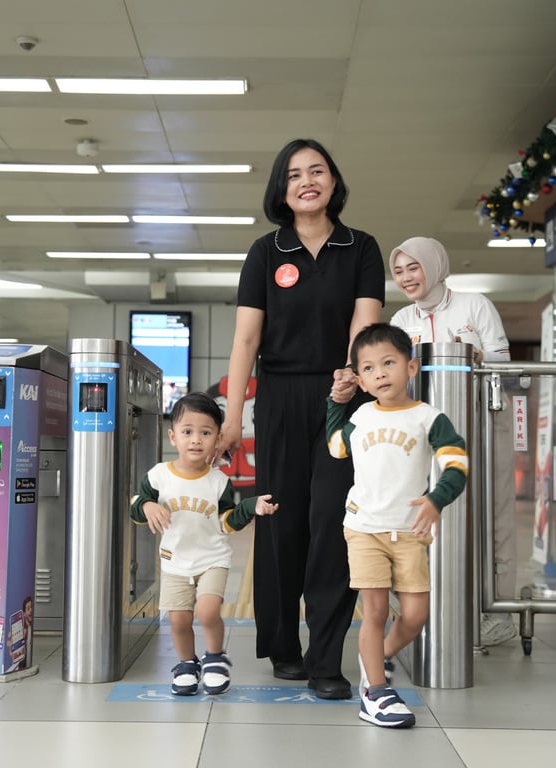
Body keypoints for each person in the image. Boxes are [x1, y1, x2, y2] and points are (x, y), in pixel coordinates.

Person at [218, 138, 384, 700]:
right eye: (293, 175)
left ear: (334, 181)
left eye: (317, 171)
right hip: (281, 397)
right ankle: (283, 645)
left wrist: (351, 374)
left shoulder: (360, 247)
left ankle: (326, 659)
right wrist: (233, 417)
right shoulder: (266, 252)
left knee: (335, 522)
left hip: (344, 397)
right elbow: (246, 340)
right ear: (281, 190)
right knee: (281, 519)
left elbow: (365, 325)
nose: (306, 181)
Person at [326, 323, 468, 728]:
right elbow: (336, 448)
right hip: (364, 528)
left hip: (409, 532)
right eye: (369, 368)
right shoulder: (361, 416)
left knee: (415, 615)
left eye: (389, 362)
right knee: (374, 612)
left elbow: (457, 463)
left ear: (411, 367)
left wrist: (437, 499)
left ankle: (378, 655)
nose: (380, 373)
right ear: (360, 380)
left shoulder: (429, 418)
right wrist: (335, 403)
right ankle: (375, 692)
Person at [387, 235, 517, 647]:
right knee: (416, 512)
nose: (406, 278)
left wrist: (475, 355)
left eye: (414, 267)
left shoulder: (474, 305)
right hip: (423, 432)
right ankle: (417, 611)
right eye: (399, 271)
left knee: (491, 514)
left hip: (480, 423)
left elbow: (504, 362)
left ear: (435, 266)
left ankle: (497, 611)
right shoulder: (401, 319)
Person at [131, 392, 278, 696]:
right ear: (173, 436)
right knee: (179, 620)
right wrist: (146, 505)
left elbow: (226, 522)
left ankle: (214, 658)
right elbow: (135, 506)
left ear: (218, 438)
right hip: (174, 561)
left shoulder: (219, 481)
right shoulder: (158, 476)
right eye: (187, 432)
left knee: (208, 612)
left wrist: (249, 507)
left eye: (206, 433)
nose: (196, 440)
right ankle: (187, 663)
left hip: (213, 559)